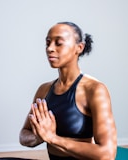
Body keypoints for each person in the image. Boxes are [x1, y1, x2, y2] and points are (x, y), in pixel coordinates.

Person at [19, 22, 117, 160]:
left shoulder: (95, 90)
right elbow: (24, 134)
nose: (50, 48)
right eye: (48, 43)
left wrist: (53, 138)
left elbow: (107, 154)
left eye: (58, 43)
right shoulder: (43, 90)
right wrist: (38, 137)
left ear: (79, 47)